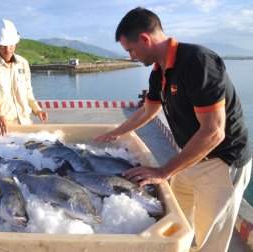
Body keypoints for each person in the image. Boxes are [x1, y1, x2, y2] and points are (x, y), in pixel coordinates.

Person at [94, 7, 251, 252]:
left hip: (220, 162)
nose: (132, 57)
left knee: (210, 238)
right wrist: (117, 132)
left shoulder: (197, 61)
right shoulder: (159, 71)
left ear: (145, 39)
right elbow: (148, 110)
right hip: (189, 157)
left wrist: (163, 171)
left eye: (131, 50)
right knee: (177, 222)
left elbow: (214, 131)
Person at [0, 19, 48, 136]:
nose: (8, 49)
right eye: (3, 46)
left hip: (26, 125)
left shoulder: (23, 63)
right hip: (3, 129)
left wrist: (37, 109)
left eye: (11, 45)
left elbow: (28, 91)